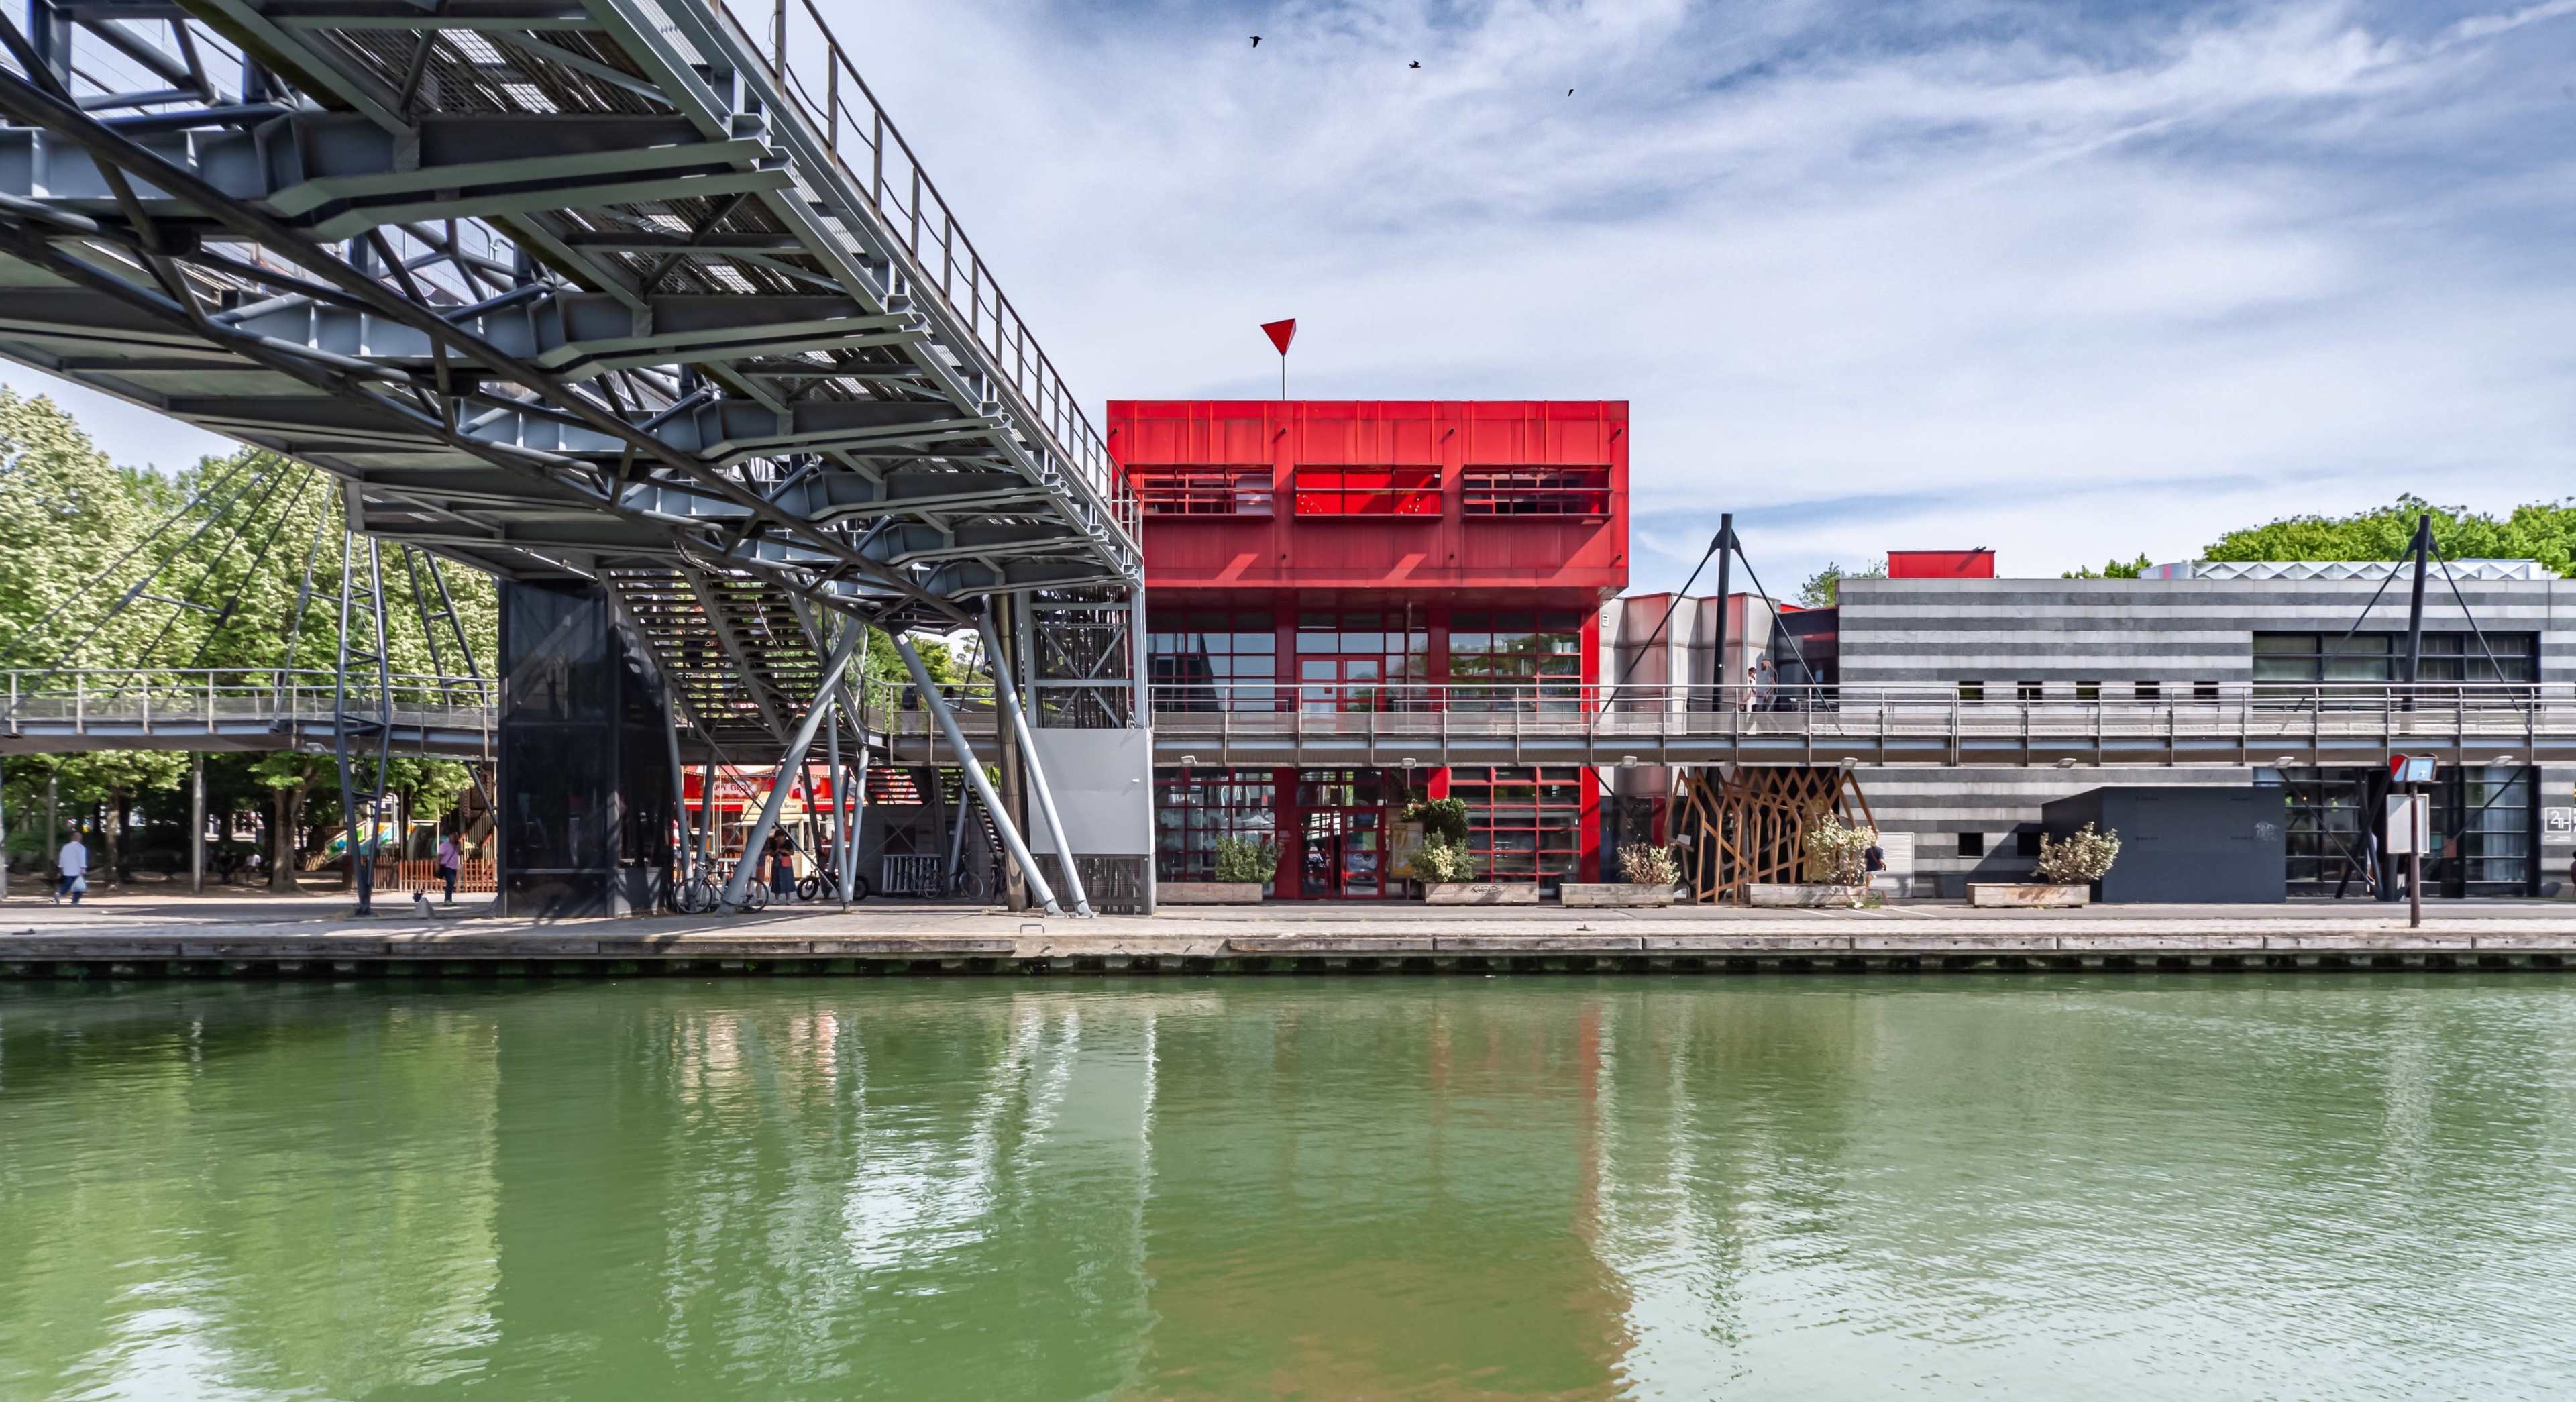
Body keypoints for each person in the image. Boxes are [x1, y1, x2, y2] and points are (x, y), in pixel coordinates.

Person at [54, 829, 87, 906]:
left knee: (67, 884)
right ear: (79, 839)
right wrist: (83, 868)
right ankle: (75, 901)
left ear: (72, 838)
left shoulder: (65, 847)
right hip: (77, 870)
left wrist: (61, 867)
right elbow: (82, 858)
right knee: (79, 887)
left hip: (67, 870)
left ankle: (59, 893)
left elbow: (62, 857)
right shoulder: (81, 847)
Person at [435, 831, 463, 906]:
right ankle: (447, 900)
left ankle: (449, 899)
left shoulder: (456, 845)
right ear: (450, 836)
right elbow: (439, 856)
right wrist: (437, 866)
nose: (456, 838)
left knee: (451, 883)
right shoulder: (445, 845)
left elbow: (459, 853)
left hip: (454, 867)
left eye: (457, 836)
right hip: (447, 867)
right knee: (450, 882)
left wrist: (459, 848)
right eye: (454, 836)